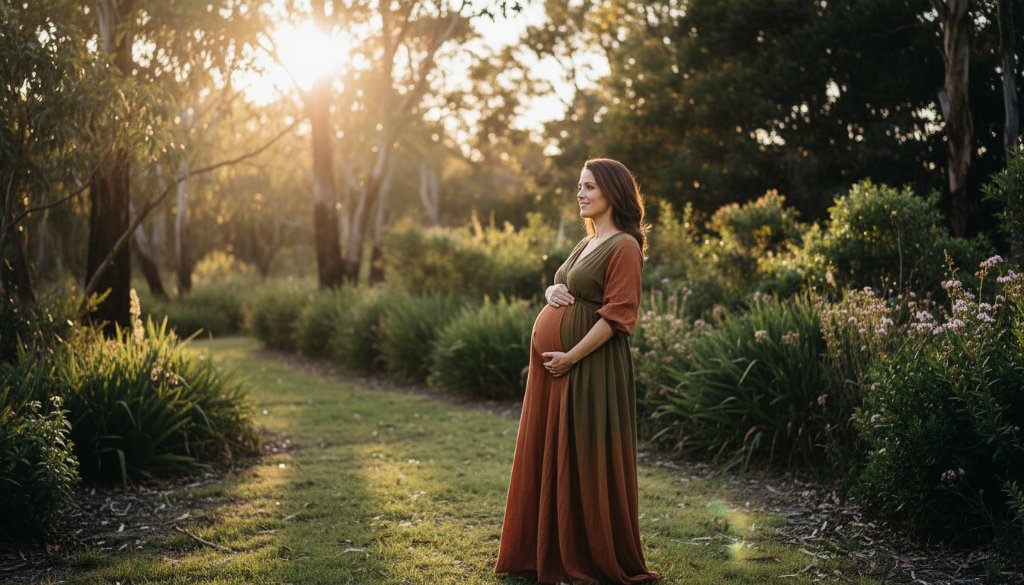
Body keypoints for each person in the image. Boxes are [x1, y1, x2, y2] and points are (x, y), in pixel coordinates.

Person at [495, 158, 660, 584]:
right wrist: (552, 289)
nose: (580, 194)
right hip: (558, 370)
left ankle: (587, 551)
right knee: (554, 451)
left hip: (590, 368)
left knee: (584, 454)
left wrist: (571, 357)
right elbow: (566, 286)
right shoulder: (587, 241)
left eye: (589, 187)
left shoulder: (624, 245)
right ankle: (545, 545)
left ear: (612, 193)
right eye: (579, 187)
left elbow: (618, 317)